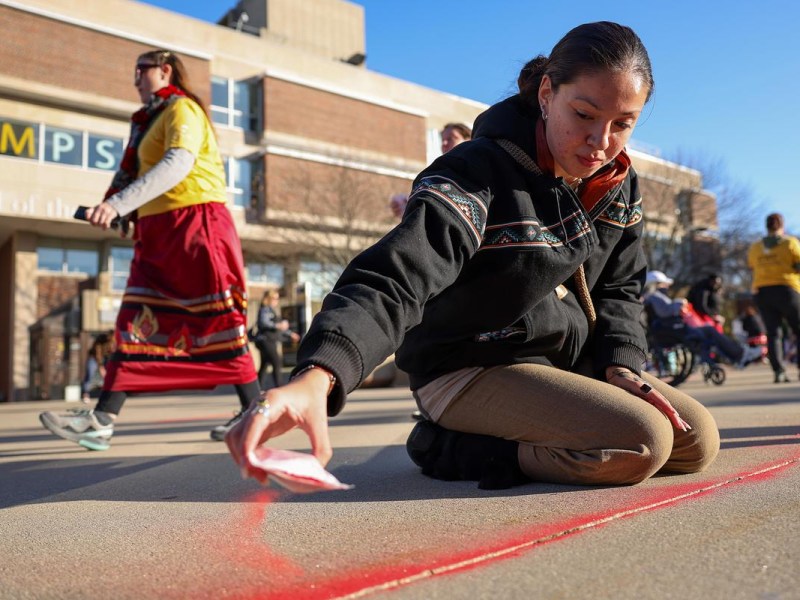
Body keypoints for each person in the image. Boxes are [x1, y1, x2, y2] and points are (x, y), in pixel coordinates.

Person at [227, 22, 721, 491]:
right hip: (468, 365)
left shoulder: (620, 182)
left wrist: (621, 364)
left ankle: (563, 419)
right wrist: (320, 375)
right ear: (547, 94)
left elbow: (621, 288)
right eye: (585, 115)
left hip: (560, 364)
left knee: (697, 440)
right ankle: (448, 445)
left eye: (623, 124)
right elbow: (400, 275)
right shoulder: (475, 170)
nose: (600, 143)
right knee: (640, 443)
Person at [39, 49, 259, 450]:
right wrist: (124, 210)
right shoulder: (149, 122)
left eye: (141, 70)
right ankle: (101, 420)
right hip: (159, 233)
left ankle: (255, 412)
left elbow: (178, 163)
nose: (135, 79)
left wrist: (117, 205)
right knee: (136, 322)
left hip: (195, 226)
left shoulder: (182, 109)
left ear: (165, 70)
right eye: (134, 71)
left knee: (219, 321)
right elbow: (148, 174)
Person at [643, 271, 762, 367]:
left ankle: (738, 355)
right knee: (710, 331)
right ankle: (739, 355)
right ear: (656, 284)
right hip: (674, 330)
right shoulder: (655, 296)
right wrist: (680, 302)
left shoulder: (653, 297)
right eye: (664, 284)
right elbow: (665, 311)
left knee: (710, 332)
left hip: (673, 328)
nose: (667, 286)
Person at [747, 212, 800, 383]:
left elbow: (752, 267)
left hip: (762, 292)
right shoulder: (790, 243)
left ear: (766, 226)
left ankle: (778, 371)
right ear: (782, 226)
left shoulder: (755, 247)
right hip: (787, 290)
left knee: (773, 333)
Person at [80, 332, 114, 403]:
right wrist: (101, 366)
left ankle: (109, 394)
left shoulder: (113, 342)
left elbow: (112, 352)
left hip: (105, 358)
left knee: (109, 376)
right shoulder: (99, 342)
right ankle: (85, 394)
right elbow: (97, 354)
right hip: (94, 358)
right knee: (90, 373)